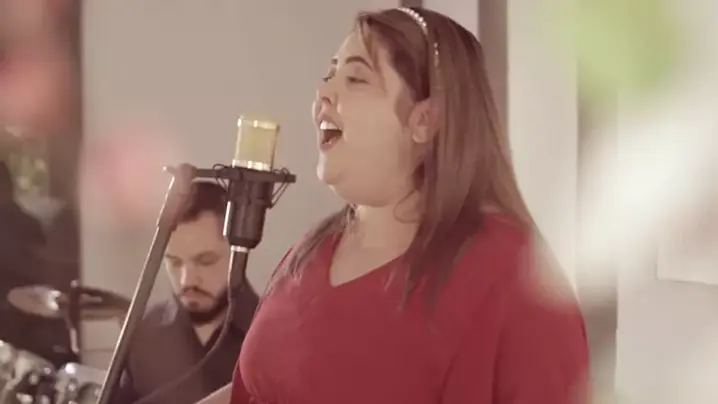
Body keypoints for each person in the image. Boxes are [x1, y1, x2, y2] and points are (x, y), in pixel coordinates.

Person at [203, 6, 589, 404]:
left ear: (425, 120)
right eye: (329, 75)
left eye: (356, 78)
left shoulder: (517, 277)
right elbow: (262, 388)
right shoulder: (309, 253)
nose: (323, 93)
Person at [111, 181, 259, 404]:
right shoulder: (141, 330)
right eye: (174, 262)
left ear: (238, 253)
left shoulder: (269, 334)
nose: (187, 280)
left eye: (206, 261)